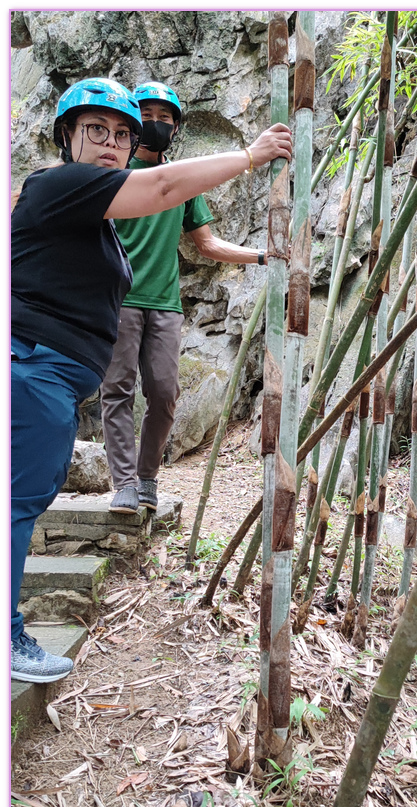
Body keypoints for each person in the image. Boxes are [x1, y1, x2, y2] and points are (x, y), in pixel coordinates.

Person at [11, 77, 291, 683]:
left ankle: (143, 482)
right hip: (33, 364)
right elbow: (161, 184)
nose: (110, 142)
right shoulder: (62, 185)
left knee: (31, 490)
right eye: (96, 131)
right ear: (67, 138)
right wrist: (250, 155)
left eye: (121, 133)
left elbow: (199, 235)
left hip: (50, 372)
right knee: (19, 500)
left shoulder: (91, 213)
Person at [101, 81, 268, 515]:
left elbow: (207, 245)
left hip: (165, 304)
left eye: (165, 119)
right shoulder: (113, 174)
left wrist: (264, 256)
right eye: (148, 117)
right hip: (118, 301)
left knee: (164, 392)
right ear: (135, 123)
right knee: (116, 390)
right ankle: (123, 484)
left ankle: (147, 477)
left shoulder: (182, 184)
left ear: (176, 129)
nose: (156, 125)